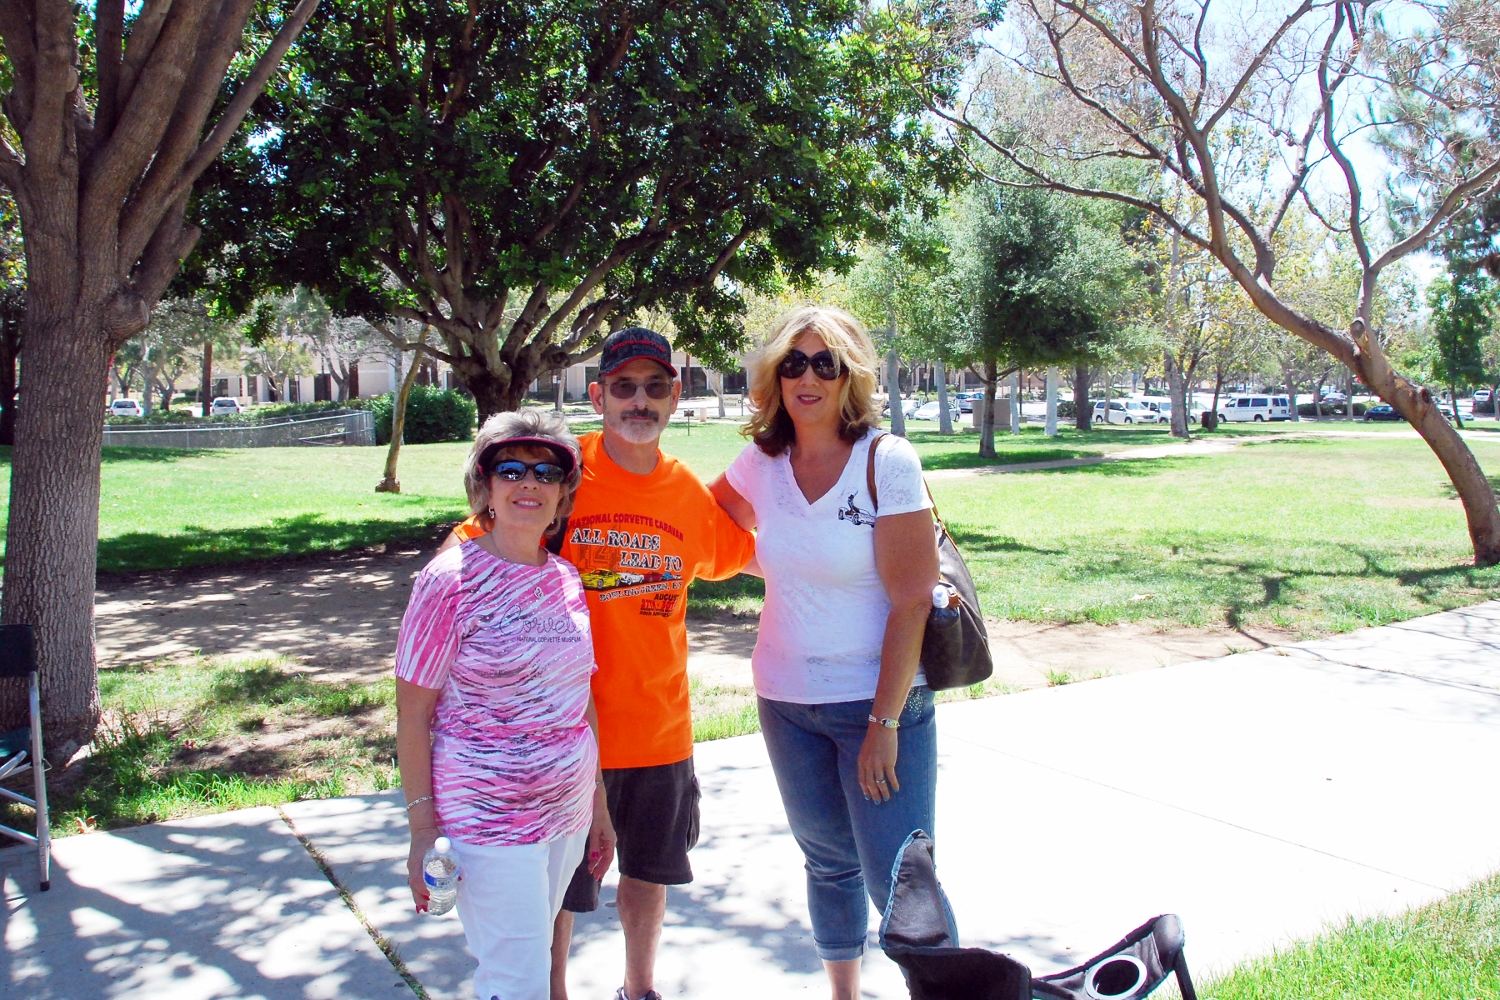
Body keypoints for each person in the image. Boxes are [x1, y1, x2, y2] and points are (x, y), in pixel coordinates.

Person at [443, 327, 756, 1000]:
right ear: (598, 397)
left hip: (658, 729)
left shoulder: (686, 493)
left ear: (674, 396)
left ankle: (639, 990)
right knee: (560, 891)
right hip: (562, 734)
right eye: (623, 387)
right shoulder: (561, 474)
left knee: (649, 876)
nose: (639, 401)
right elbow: (470, 544)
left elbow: (748, 551)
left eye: (654, 387)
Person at [708, 306, 941, 1000]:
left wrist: (883, 723)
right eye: (792, 364)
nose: (807, 378)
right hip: (786, 703)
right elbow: (701, 528)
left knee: (902, 879)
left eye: (825, 364)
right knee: (828, 866)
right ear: (774, 377)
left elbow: (912, 600)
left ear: (850, 376)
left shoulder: (885, 461)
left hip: (878, 704)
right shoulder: (760, 463)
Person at [396, 409, 616, 1000]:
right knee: (517, 982)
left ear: (564, 492)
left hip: (565, 812)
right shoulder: (448, 580)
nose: (529, 484)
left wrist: (598, 801)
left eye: (547, 472)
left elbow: (579, 699)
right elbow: (413, 716)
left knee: (530, 965)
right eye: (511, 470)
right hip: (487, 818)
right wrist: (422, 830)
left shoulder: (566, 579)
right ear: (485, 486)